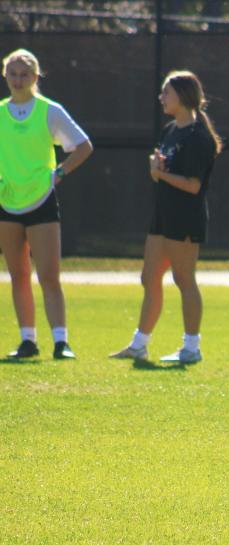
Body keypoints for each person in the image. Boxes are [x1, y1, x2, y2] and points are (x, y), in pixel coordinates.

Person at [110, 70, 221, 364]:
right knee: (149, 278)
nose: (161, 98)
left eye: (166, 93)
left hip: (186, 217)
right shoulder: (170, 130)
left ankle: (191, 348)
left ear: (182, 97)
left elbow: (194, 185)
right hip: (163, 214)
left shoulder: (198, 137)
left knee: (184, 279)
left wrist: (160, 174)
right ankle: (139, 344)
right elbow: (163, 172)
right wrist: (155, 169)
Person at [0, 48, 93, 360]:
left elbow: (82, 146)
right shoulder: (0, 112)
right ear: (5, 76)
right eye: (12, 73)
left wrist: (60, 173)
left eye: (24, 74)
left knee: (49, 275)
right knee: (18, 274)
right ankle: (28, 340)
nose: (18, 79)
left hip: (41, 201)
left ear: (35, 77)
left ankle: (60, 341)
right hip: (8, 203)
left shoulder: (49, 111)